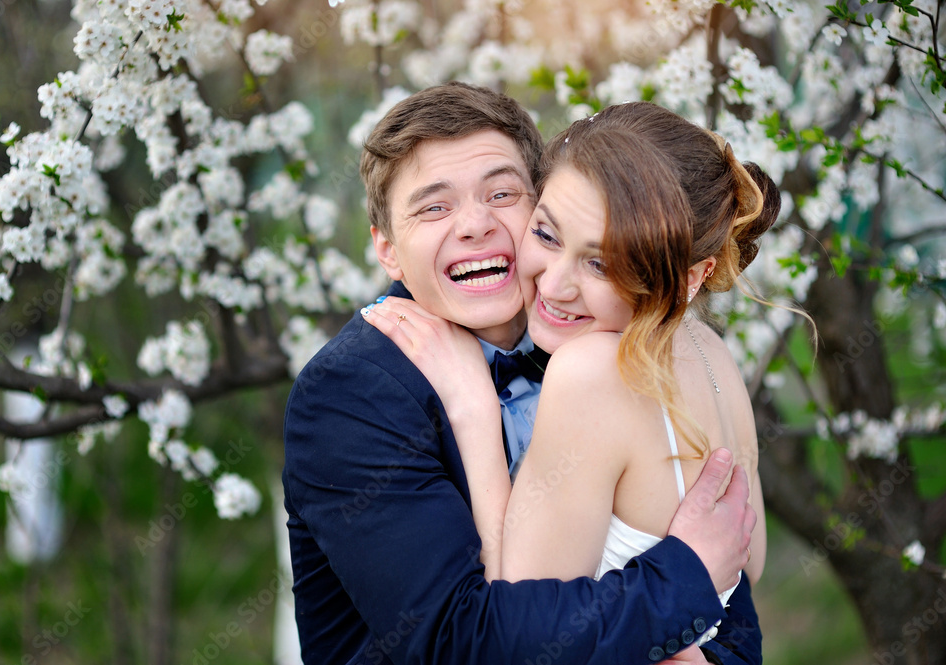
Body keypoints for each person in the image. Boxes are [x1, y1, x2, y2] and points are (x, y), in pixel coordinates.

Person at [283, 84, 761, 665]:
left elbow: (735, 599)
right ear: (387, 250)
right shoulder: (349, 395)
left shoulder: (601, 339)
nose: (474, 224)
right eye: (434, 207)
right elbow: (456, 641)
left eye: (502, 193)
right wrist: (686, 580)